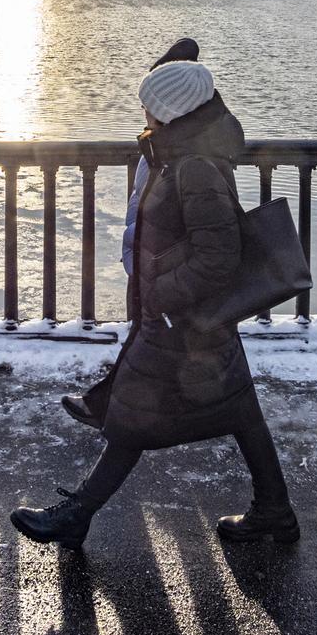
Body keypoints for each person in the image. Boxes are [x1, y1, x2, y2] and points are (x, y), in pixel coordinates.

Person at [11, 60, 299, 548]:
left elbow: (219, 256)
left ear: (170, 111)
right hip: (193, 319)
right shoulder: (187, 155)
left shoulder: (196, 167)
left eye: (148, 103)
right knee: (240, 413)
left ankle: (77, 514)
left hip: (180, 321)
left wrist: (163, 296)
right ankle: (274, 511)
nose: (141, 110)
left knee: (134, 414)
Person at [63, 37, 201, 429]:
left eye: (148, 104)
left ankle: (110, 409)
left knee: (146, 341)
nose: (141, 111)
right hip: (151, 261)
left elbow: (185, 220)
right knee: (151, 342)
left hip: (162, 266)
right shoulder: (164, 146)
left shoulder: (183, 156)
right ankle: (127, 407)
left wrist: (157, 272)